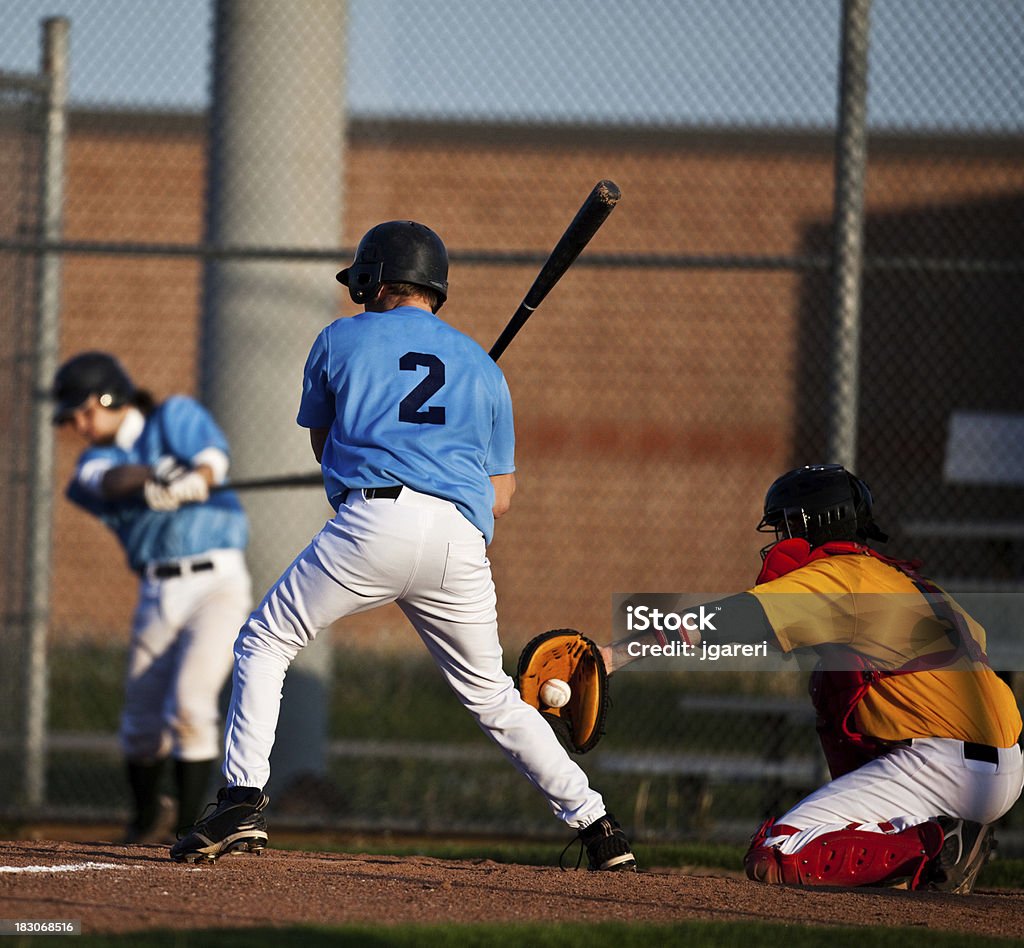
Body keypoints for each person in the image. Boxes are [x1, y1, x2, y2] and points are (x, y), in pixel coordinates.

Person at [169, 220, 635, 871]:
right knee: (494, 698)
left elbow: (323, 445)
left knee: (265, 641)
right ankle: (599, 828)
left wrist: (376, 450)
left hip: (372, 522)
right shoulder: (479, 366)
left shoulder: (339, 337)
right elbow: (501, 495)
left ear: (377, 279)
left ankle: (242, 801)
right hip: (458, 542)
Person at [601, 464, 1023, 893]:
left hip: (941, 766)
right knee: (835, 678)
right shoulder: (911, 582)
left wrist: (613, 656)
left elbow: (731, 620)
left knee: (776, 854)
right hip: (1000, 762)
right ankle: (931, 845)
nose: (780, 540)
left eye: (785, 526)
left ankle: (939, 847)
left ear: (811, 523)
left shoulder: (839, 576)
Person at [52, 351, 252, 843]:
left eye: (85, 411)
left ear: (110, 397)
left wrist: (196, 481)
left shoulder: (174, 416)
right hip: (158, 590)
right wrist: (157, 479)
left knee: (190, 703)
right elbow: (103, 481)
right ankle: (144, 821)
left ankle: (191, 828)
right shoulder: (97, 459)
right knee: (141, 724)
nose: (79, 425)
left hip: (218, 583)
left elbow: (212, 460)